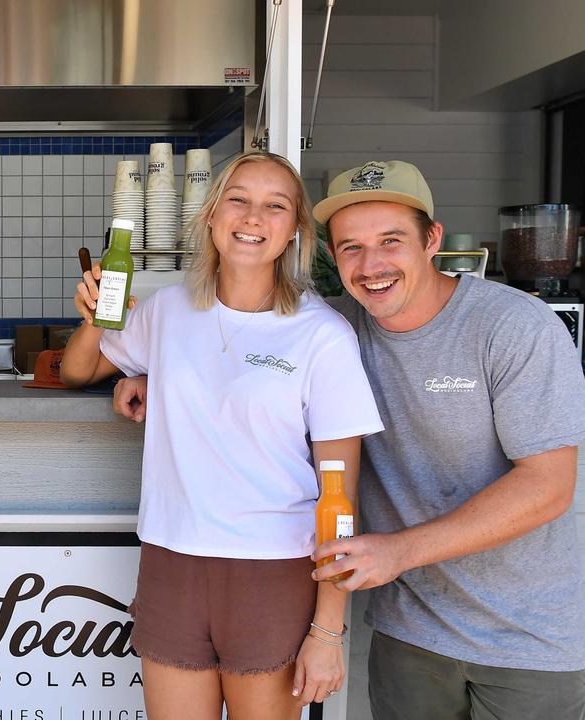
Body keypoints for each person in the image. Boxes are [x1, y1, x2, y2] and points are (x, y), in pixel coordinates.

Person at [115, 160, 585, 719]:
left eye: (391, 242)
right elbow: (247, 348)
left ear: (432, 239)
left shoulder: (513, 326)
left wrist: (396, 553)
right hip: (410, 628)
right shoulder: (336, 325)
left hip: (525, 636)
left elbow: (548, 487)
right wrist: (152, 373)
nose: (372, 266)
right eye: (351, 248)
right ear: (330, 255)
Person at [60, 151, 384, 720]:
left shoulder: (321, 336)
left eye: (274, 206)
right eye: (238, 199)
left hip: (273, 570)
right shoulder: (168, 310)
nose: (253, 217)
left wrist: (328, 629)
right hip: (171, 559)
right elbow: (78, 371)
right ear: (212, 215)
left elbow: (340, 499)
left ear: (294, 232)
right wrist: (96, 319)